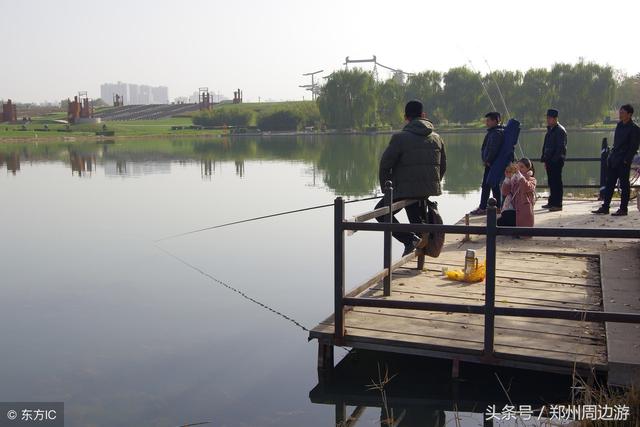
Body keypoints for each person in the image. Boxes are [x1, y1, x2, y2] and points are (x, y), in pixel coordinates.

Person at [377, 100, 446, 256]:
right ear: (423, 115)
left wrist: (387, 190)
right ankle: (419, 247)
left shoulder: (400, 138)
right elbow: (442, 167)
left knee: (380, 213)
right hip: (426, 190)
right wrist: (430, 184)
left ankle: (409, 240)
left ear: (405, 117)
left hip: (405, 190)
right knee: (417, 219)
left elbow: (385, 166)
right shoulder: (437, 138)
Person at [592, 104, 640, 216]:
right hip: (614, 159)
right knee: (609, 184)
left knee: (624, 185)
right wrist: (610, 157)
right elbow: (616, 144)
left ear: (629, 114)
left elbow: (634, 147)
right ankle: (605, 207)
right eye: (620, 112)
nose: (620, 114)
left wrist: (626, 160)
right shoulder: (619, 125)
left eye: (622, 113)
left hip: (623, 161)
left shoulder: (634, 129)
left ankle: (623, 209)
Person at [470, 112, 504, 215]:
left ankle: (483, 207)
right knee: (494, 186)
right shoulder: (495, 132)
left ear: (495, 121)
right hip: (493, 164)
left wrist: (488, 160)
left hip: (491, 164)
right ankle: (498, 207)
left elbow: (493, 149)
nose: (486, 122)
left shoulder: (496, 133)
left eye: (488, 120)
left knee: (486, 186)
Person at [497, 158, 537, 235]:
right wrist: (508, 178)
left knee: (508, 221)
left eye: (522, 167)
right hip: (513, 208)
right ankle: (513, 229)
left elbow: (526, 187)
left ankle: (517, 230)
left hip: (523, 211)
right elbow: (504, 192)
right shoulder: (513, 179)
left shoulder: (532, 179)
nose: (519, 169)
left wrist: (519, 175)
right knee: (499, 222)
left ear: (528, 169)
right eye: (518, 167)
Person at [540, 108, 567, 211]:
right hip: (549, 160)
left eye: (549, 118)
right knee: (551, 182)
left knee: (557, 182)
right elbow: (546, 145)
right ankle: (552, 202)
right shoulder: (550, 130)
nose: (548, 119)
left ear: (555, 118)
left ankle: (558, 204)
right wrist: (545, 158)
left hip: (556, 161)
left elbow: (560, 147)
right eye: (547, 117)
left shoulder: (560, 130)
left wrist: (554, 160)